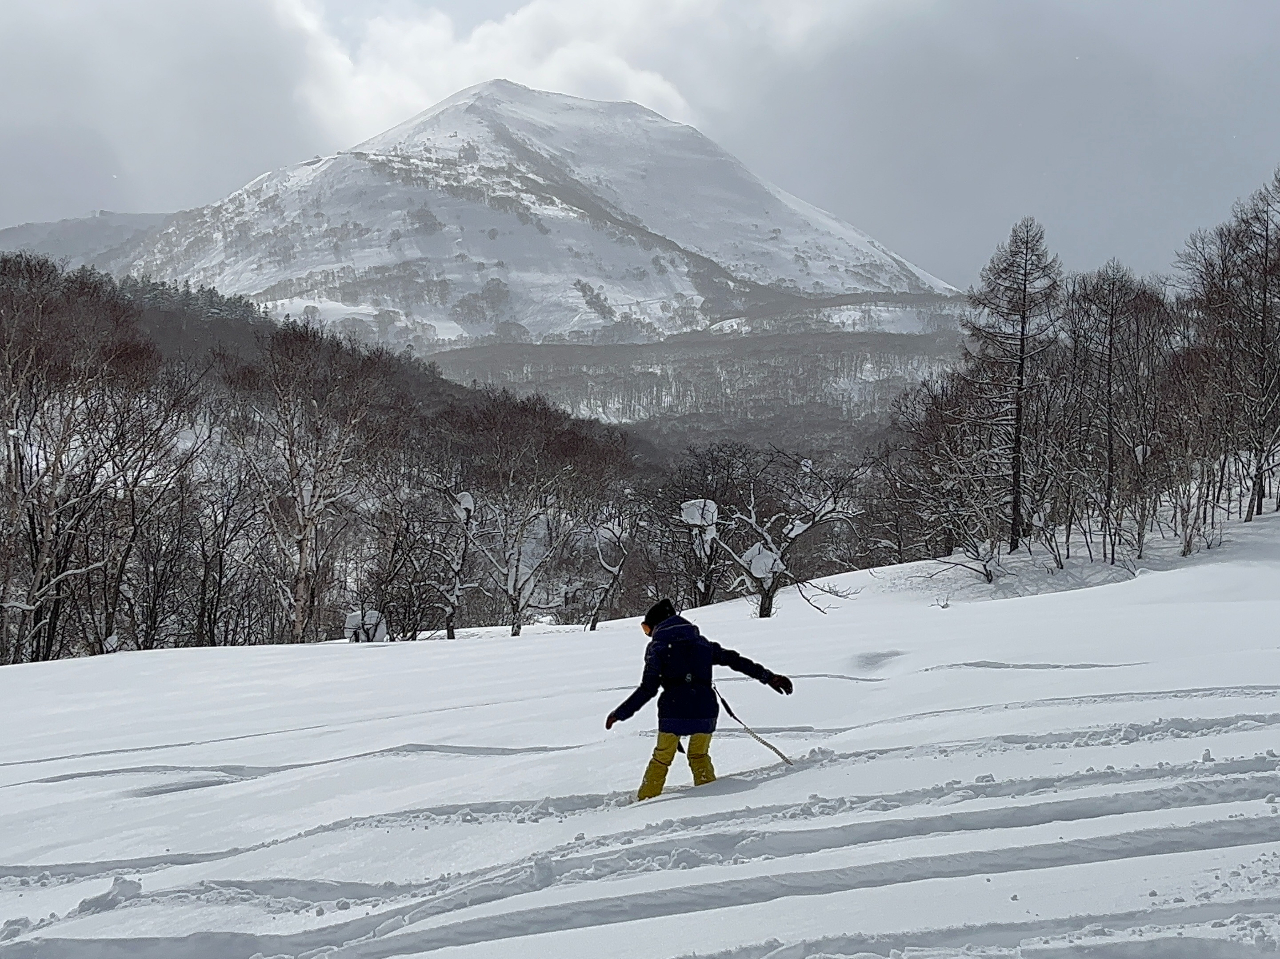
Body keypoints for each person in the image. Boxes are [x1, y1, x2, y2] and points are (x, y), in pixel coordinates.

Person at [605, 598, 793, 800]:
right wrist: (769, 677)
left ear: (656, 625)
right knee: (699, 756)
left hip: (673, 712)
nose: (647, 634)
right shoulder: (703, 645)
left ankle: (646, 800)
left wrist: (620, 713)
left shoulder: (657, 648)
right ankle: (710, 798)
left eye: (646, 628)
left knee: (661, 759)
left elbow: (648, 688)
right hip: (705, 710)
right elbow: (735, 661)